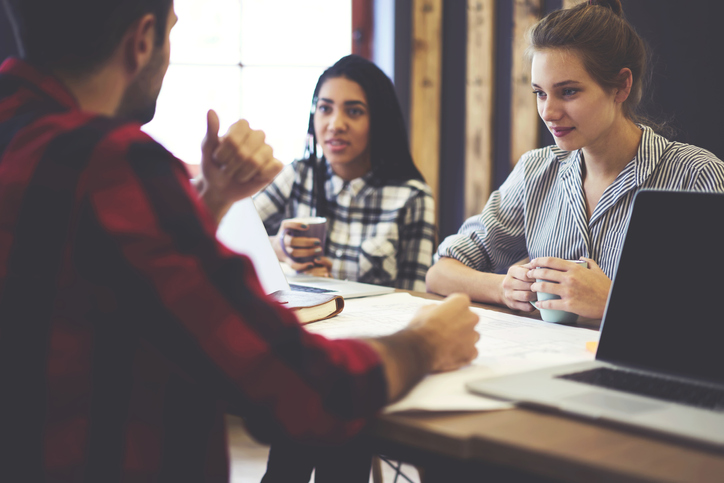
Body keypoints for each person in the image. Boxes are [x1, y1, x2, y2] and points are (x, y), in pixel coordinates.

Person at [0, 1, 480, 481]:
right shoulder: (114, 164)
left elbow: (98, 269)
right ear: (142, 40)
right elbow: (309, 389)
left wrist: (209, 199)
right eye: (172, 32)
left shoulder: (23, 136)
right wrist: (425, 342)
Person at [426, 0, 724, 320]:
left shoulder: (697, 176)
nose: (549, 112)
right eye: (540, 93)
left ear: (621, 85)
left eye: (568, 92)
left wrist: (612, 299)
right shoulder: (535, 171)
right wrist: (502, 288)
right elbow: (440, 273)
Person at [253, 54, 435, 292]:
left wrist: (331, 283)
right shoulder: (298, 175)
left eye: (354, 111)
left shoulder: (412, 197)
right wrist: (278, 247)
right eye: (325, 108)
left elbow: (415, 298)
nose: (335, 124)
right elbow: (226, 236)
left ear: (380, 120)